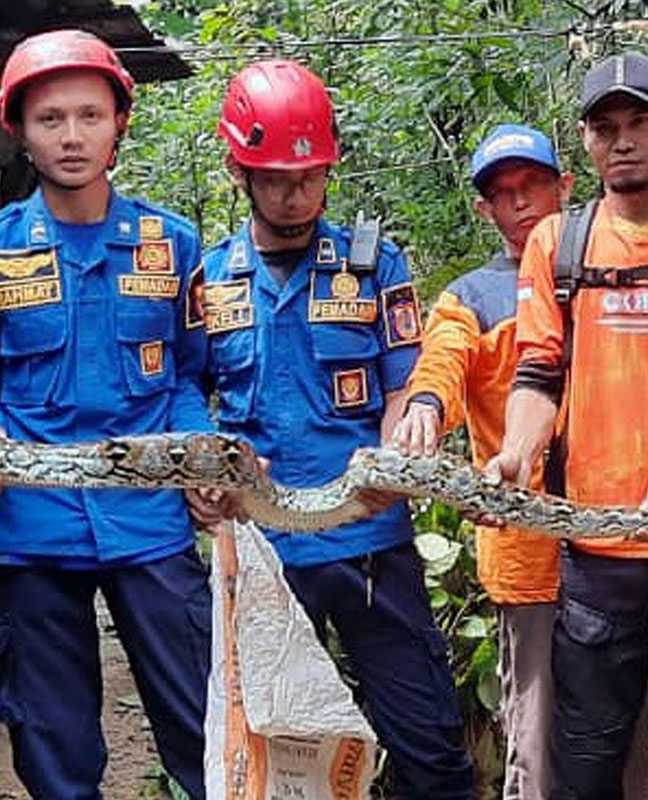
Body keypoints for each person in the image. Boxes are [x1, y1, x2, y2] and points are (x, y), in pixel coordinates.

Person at [0, 29, 211, 800]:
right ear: (19, 131)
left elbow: (190, 377)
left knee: (201, 721)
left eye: (89, 115)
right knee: (51, 740)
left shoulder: (172, 244)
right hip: (32, 522)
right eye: (49, 119)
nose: (71, 136)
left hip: (149, 516)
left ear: (119, 121)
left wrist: (198, 448)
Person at [197, 59, 474, 797]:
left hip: (368, 542)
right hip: (261, 550)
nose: (296, 196)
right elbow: (186, 403)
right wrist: (210, 469)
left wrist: (394, 455)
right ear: (238, 171)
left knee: (429, 746)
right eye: (277, 180)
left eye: (311, 177)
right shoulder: (209, 279)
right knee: (269, 753)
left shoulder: (373, 265)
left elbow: (404, 383)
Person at [391, 123, 572, 800]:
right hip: (528, 556)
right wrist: (425, 405)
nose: (521, 203)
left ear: (564, 187)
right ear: (484, 207)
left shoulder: (599, 271)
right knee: (536, 731)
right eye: (504, 192)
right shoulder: (472, 297)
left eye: (534, 185)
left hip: (619, 546)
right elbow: (442, 360)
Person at [486, 51, 648, 800]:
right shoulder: (560, 245)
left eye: (640, 122)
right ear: (585, 140)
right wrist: (516, 454)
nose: (624, 140)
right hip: (596, 552)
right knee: (585, 768)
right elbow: (538, 371)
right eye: (605, 127)